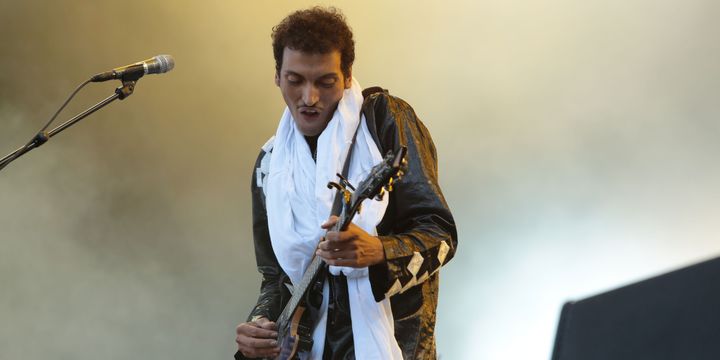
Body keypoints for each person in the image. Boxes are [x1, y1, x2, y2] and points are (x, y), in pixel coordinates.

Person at [234, 7, 457, 360]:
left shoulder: (385, 119)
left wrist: (379, 251)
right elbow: (275, 278)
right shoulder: (270, 164)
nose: (309, 98)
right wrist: (260, 324)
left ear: (348, 75)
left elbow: (442, 237)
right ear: (277, 76)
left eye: (325, 82)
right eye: (295, 80)